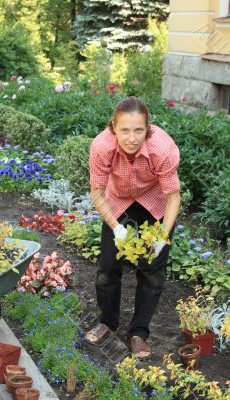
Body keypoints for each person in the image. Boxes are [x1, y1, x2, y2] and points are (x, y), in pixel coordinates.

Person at [85, 96, 181, 360]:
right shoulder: (102, 146)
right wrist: (116, 228)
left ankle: (138, 333)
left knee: (151, 270)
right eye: (124, 130)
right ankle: (107, 323)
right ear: (113, 128)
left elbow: (173, 196)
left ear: (147, 128)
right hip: (119, 202)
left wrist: (162, 235)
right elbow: (97, 192)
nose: (131, 137)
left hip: (155, 203)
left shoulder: (162, 148)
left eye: (138, 130)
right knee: (108, 267)